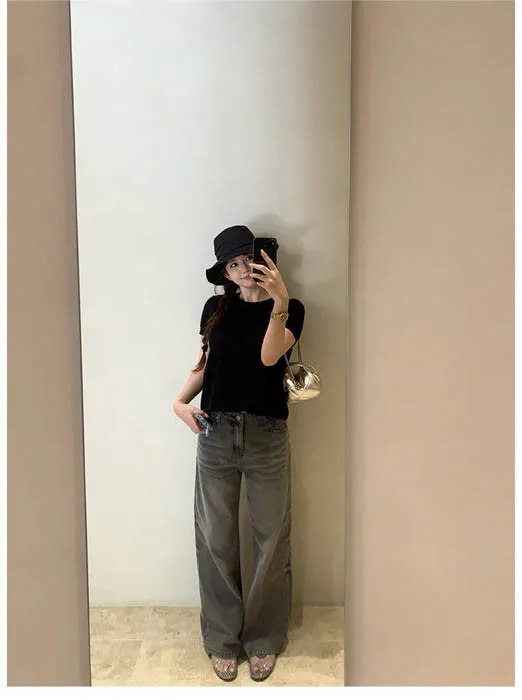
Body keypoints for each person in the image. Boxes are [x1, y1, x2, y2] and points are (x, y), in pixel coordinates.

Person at [173, 225, 305, 682]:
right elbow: (207, 364)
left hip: (266, 435)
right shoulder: (216, 309)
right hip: (215, 431)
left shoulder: (292, 308)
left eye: (249, 259)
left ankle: (264, 638)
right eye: (233, 264)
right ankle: (222, 638)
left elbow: (269, 358)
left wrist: (278, 300)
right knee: (215, 538)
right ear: (225, 273)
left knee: (271, 538)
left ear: (264, 260)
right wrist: (179, 401)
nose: (243, 269)